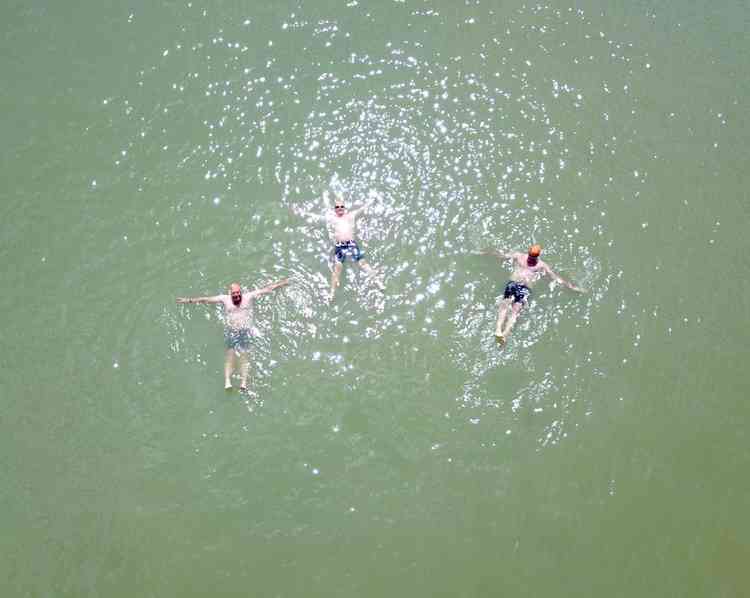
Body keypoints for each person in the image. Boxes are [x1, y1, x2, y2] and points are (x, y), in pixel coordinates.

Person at [177, 279, 289, 391]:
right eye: (234, 293)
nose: (236, 295)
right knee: (230, 356)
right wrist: (188, 300)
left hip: (245, 331)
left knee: (244, 356)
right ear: (230, 292)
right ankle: (227, 381)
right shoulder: (224, 299)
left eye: (238, 292)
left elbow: (266, 290)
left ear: (241, 292)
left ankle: (243, 382)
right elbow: (206, 299)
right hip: (231, 331)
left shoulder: (248, 296)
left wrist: (281, 284)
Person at [481, 244, 585, 344]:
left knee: (514, 310)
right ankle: (498, 330)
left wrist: (571, 287)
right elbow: (502, 255)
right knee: (505, 305)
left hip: (524, 288)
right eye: (531, 255)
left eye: (533, 256)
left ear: (536, 255)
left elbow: (555, 277)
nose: (531, 258)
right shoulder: (521, 257)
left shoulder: (540, 264)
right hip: (514, 284)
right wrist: (486, 252)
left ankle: (505, 334)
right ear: (529, 252)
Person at [291, 191, 382, 301]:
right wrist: (301, 211)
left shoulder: (351, 215)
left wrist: (372, 201)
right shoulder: (332, 218)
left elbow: (363, 208)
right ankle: (332, 293)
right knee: (338, 268)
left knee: (362, 263)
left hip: (351, 244)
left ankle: (377, 281)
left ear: (345, 207)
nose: (339, 208)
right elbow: (315, 216)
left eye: (341, 207)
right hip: (339, 245)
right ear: (335, 209)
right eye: (337, 207)